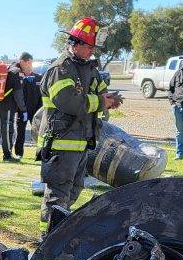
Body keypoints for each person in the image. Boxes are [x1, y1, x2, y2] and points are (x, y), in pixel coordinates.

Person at [35, 17, 120, 223]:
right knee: (58, 195)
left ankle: (56, 232)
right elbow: (69, 102)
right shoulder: (60, 70)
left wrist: (112, 99)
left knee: (74, 190)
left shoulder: (89, 69)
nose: (93, 51)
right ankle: (46, 240)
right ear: (77, 43)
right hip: (61, 143)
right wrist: (101, 102)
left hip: (81, 143)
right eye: (90, 46)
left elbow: (102, 92)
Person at [0, 57, 28, 162]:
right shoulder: (17, 72)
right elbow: (18, 94)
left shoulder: (8, 69)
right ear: (23, 61)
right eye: (28, 63)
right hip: (8, 106)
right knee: (8, 131)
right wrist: (23, 109)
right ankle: (7, 156)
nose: (28, 66)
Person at [14, 53, 42, 159]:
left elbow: (42, 96)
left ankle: (40, 154)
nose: (30, 65)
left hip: (36, 111)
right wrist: (20, 109)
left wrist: (40, 110)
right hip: (22, 111)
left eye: (31, 62)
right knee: (20, 132)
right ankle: (18, 154)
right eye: (29, 62)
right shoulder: (19, 78)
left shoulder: (38, 78)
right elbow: (17, 95)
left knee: (38, 133)